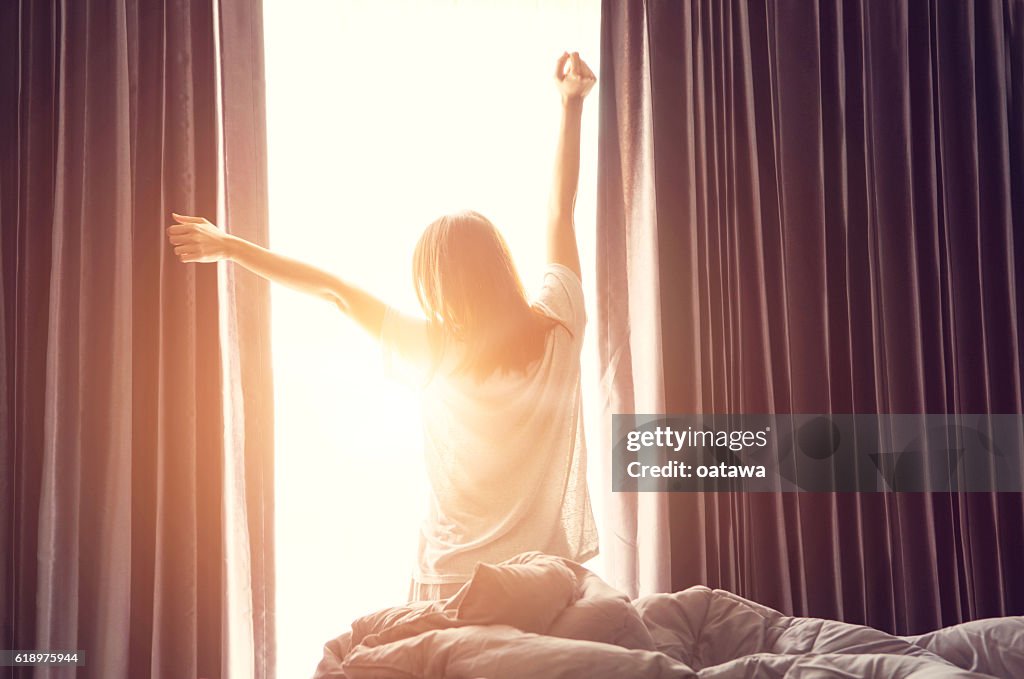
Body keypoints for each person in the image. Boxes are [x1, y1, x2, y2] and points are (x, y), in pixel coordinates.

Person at [166, 52, 599, 601]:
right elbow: (561, 209)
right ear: (500, 267)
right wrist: (571, 104)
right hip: (546, 581)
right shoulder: (559, 323)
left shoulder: (432, 350)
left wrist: (230, 248)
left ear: (438, 287)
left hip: (452, 580)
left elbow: (334, 292)